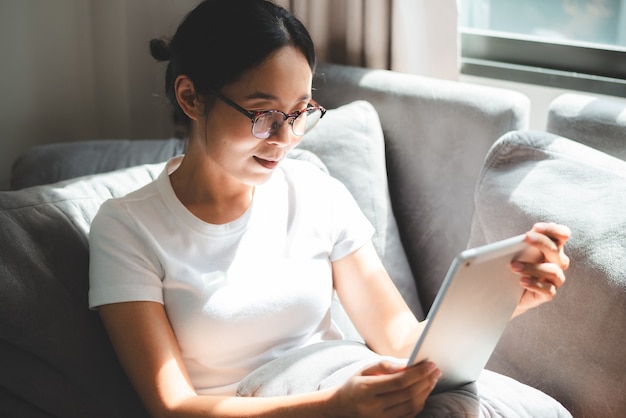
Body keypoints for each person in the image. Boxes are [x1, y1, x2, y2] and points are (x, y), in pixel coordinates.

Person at [88, 1, 571, 417]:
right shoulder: (128, 226)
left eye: (300, 114)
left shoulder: (315, 191)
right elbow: (171, 407)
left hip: (342, 384)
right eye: (264, 115)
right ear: (191, 97)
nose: (285, 139)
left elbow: (400, 338)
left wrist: (501, 297)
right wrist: (332, 409)